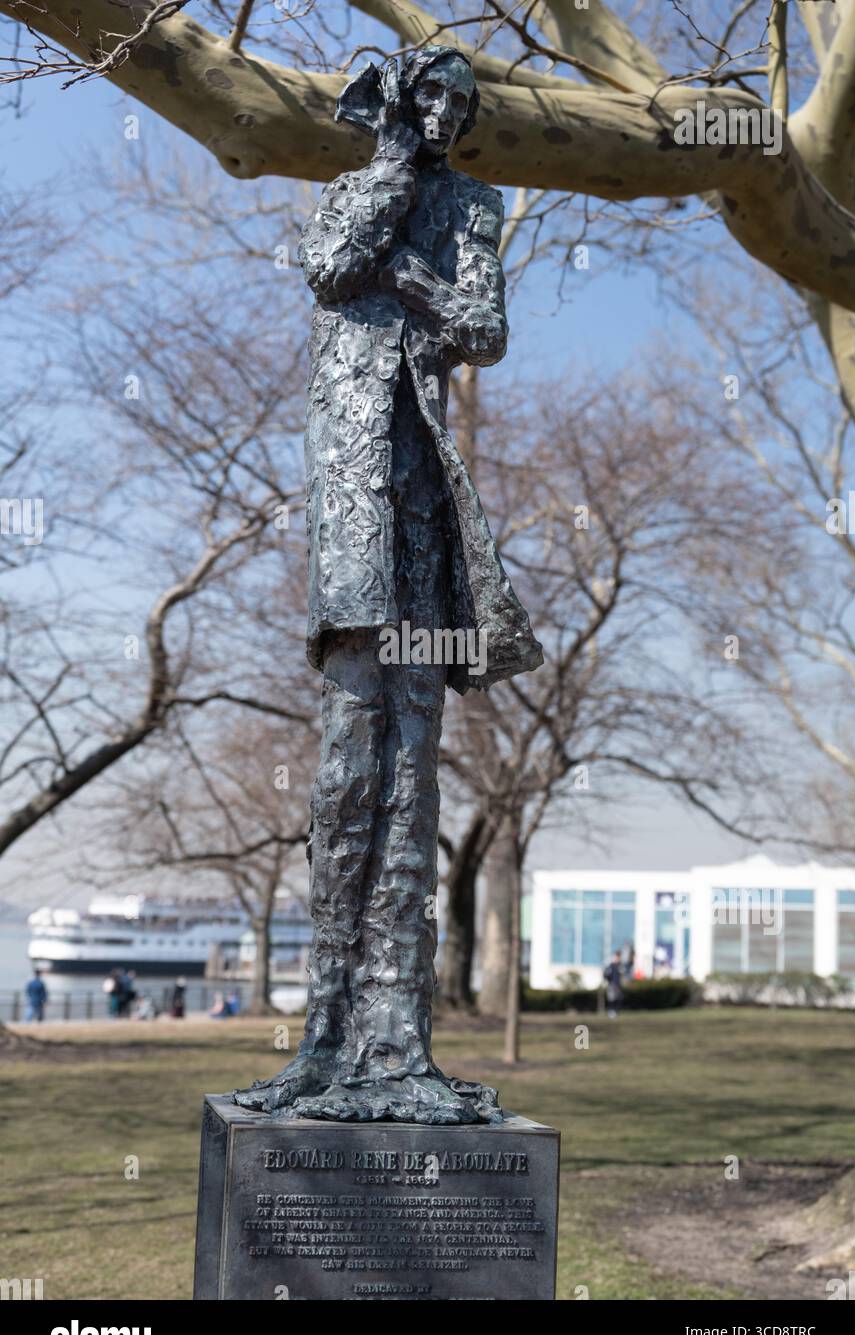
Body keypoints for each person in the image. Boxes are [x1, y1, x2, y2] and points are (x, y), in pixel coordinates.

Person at [233, 44, 542, 1126]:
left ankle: (396, 1044)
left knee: (413, 779)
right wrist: (393, 180)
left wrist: (408, 268)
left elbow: (483, 329)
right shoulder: (354, 191)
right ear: (398, 106)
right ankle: (324, 1040)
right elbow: (328, 268)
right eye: (430, 99)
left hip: (420, 522)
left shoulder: (474, 206)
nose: (447, 116)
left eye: (461, 105)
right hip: (352, 520)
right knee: (344, 778)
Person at [603, 951, 625, 1020]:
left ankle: (616, 1012)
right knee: (612, 999)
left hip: (618, 985)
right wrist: (609, 980)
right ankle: (611, 1012)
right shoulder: (611, 966)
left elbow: (622, 975)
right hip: (612, 985)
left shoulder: (620, 965)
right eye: (617, 956)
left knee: (619, 998)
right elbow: (606, 975)